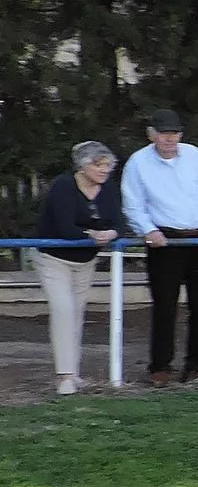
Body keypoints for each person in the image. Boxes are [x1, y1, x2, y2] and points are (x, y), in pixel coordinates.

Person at [119, 109, 198, 385]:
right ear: (151, 134)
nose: (170, 139)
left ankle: (197, 365)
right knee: (165, 306)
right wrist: (149, 230)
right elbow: (133, 205)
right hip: (166, 241)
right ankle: (160, 366)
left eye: (174, 133)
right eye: (164, 133)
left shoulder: (195, 155)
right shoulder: (138, 163)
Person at [34, 141, 123, 395]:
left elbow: (119, 222)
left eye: (108, 166)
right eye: (99, 166)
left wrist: (112, 232)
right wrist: (93, 234)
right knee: (63, 309)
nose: (104, 171)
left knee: (77, 313)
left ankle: (73, 372)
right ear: (83, 166)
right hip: (53, 258)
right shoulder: (63, 186)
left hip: (86, 261)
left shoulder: (110, 189)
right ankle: (65, 376)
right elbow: (65, 228)